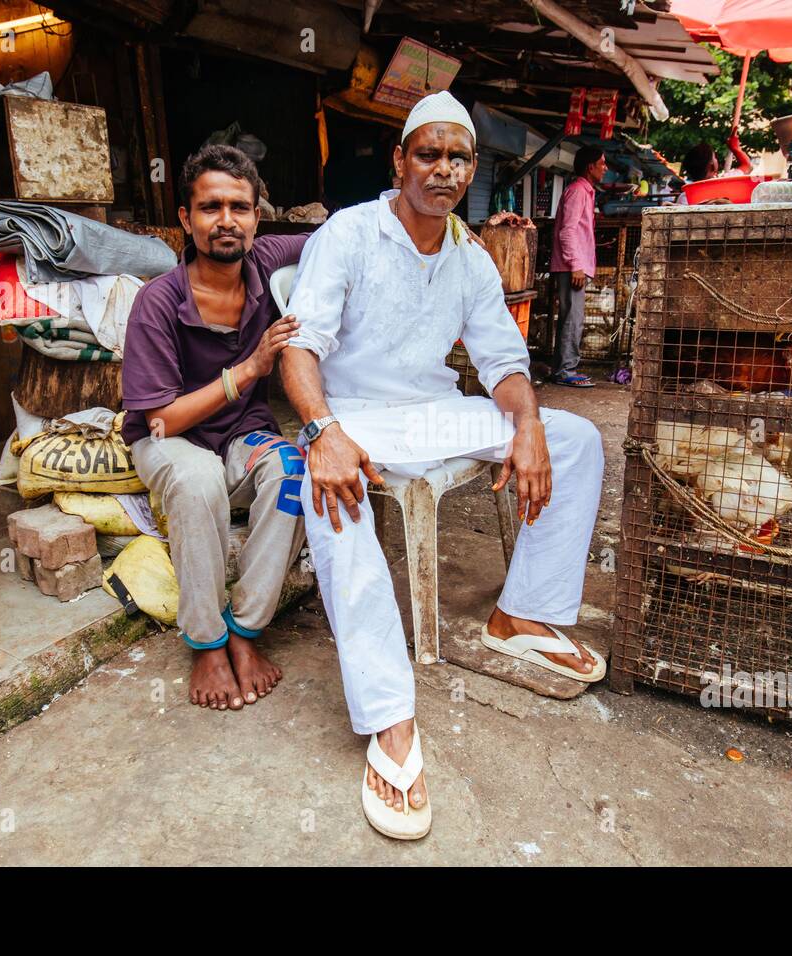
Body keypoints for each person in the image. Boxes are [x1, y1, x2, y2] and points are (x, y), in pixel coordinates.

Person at [281, 91, 606, 840]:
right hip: (353, 413)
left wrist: (525, 421)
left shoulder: (469, 255)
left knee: (577, 439)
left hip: (434, 412)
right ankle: (390, 718)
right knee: (333, 499)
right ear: (400, 161)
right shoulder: (349, 233)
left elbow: (500, 359)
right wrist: (322, 429)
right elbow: (301, 348)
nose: (444, 169)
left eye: (459, 157)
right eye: (428, 153)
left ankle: (520, 613)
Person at [120, 144, 308, 711]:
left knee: (294, 468)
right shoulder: (158, 302)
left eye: (240, 207)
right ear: (186, 218)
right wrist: (247, 370)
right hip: (168, 442)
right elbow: (160, 417)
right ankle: (206, 639)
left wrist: (444, 224)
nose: (226, 220)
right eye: (210, 207)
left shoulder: (267, 261)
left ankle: (247, 631)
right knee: (199, 478)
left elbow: (349, 231)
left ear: (256, 216)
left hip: (240, 441)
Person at [548, 144, 607, 387]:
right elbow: (567, 232)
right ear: (590, 166)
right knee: (572, 318)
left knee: (572, 317)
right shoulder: (577, 191)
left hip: (574, 265)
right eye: (602, 163)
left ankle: (564, 367)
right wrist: (576, 265)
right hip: (571, 266)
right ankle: (565, 371)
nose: (605, 168)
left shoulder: (585, 191)